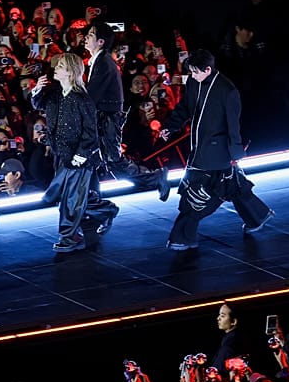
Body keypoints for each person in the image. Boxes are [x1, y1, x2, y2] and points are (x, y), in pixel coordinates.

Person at [159, 49, 275, 251]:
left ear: (207, 69)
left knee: (197, 192)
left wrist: (235, 154)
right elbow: (185, 107)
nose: (192, 75)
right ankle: (257, 215)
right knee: (231, 184)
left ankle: (183, 237)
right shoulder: (193, 82)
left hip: (216, 151)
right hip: (200, 145)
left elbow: (233, 125)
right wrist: (170, 126)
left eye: (195, 71)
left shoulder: (227, 91)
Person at [83, 22, 170, 235]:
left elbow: (92, 96)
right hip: (103, 121)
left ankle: (154, 178)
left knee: (113, 163)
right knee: (91, 164)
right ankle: (98, 209)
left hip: (106, 122)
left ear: (100, 41)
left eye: (90, 35)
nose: (85, 37)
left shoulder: (103, 63)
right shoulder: (100, 61)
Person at [31, 53, 100, 253]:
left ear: (70, 71)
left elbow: (91, 131)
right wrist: (37, 90)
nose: (55, 68)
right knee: (67, 196)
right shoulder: (54, 94)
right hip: (61, 154)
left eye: (60, 66)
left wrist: (81, 154)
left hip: (78, 158)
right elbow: (38, 104)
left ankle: (70, 237)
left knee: (71, 199)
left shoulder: (82, 99)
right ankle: (106, 210)